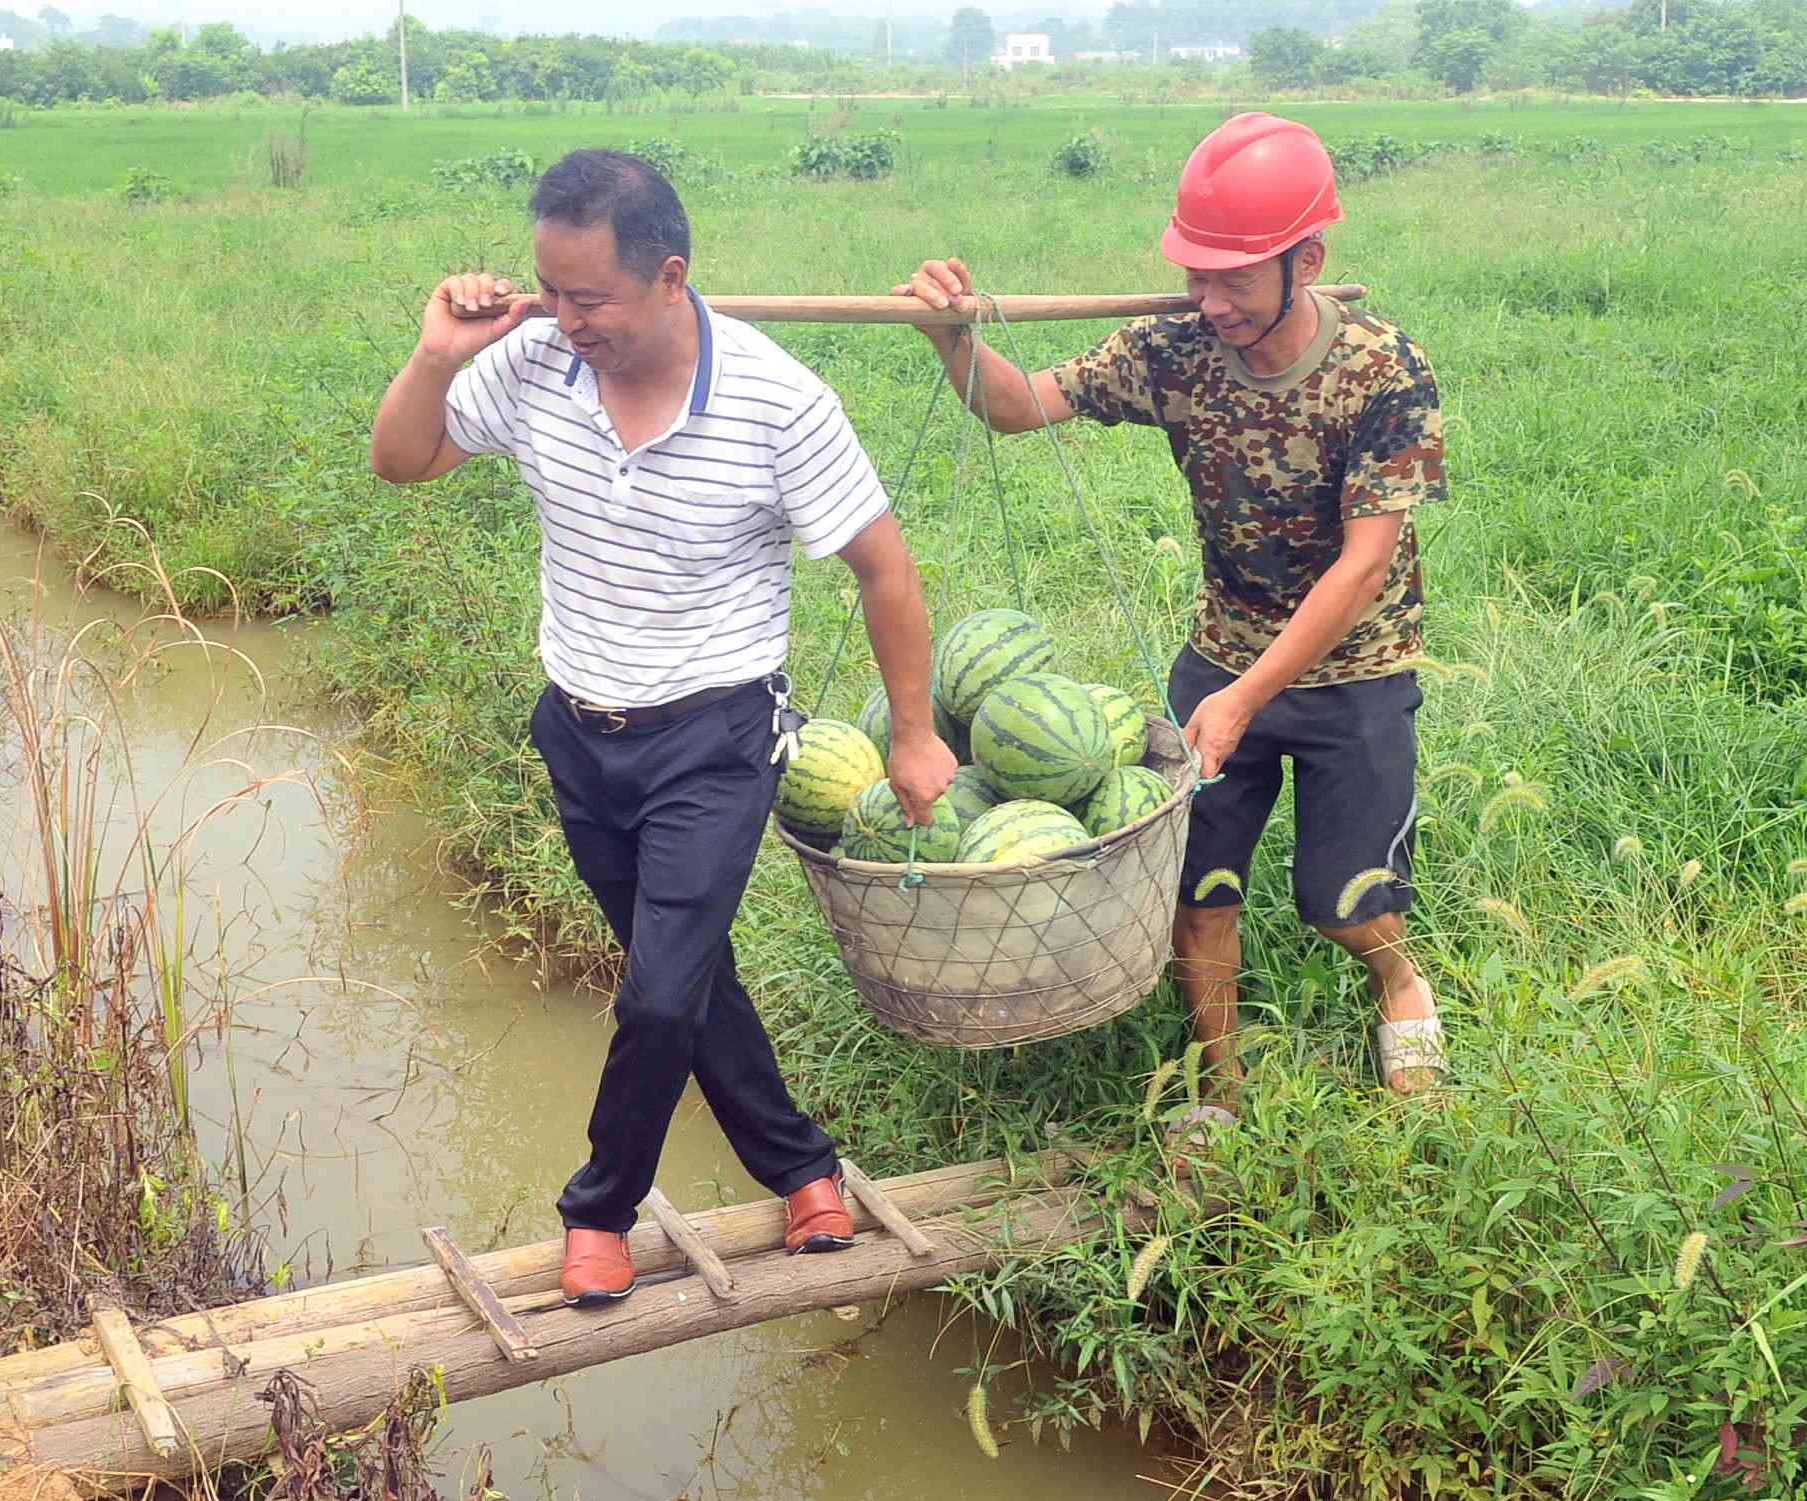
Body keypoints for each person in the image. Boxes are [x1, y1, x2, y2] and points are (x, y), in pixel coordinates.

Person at [372, 149, 956, 1305]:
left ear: (668, 276)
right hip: (579, 729)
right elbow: (402, 461)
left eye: (588, 296)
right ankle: (803, 1170)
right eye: (549, 286)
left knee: (653, 989)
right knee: (683, 976)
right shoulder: (535, 362)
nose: (561, 315)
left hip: (715, 735)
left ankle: (600, 1209)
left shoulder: (778, 402)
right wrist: (438, 354)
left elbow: (883, 571)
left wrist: (913, 733)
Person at [896, 112, 1448, 1096]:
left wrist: (1251, 698)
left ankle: (1398, 983)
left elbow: (1364, 566)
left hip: (1355, 675)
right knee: (1197, 893)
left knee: (1346, 905)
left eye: (1232, 275)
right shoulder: (1173, 351)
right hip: (1217, 658)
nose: (1208, 297)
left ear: (1307, 257)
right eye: (1196, 271)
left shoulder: (1384, 372)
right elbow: (1019, 406)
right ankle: (1220, 1086)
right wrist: (951, 339)